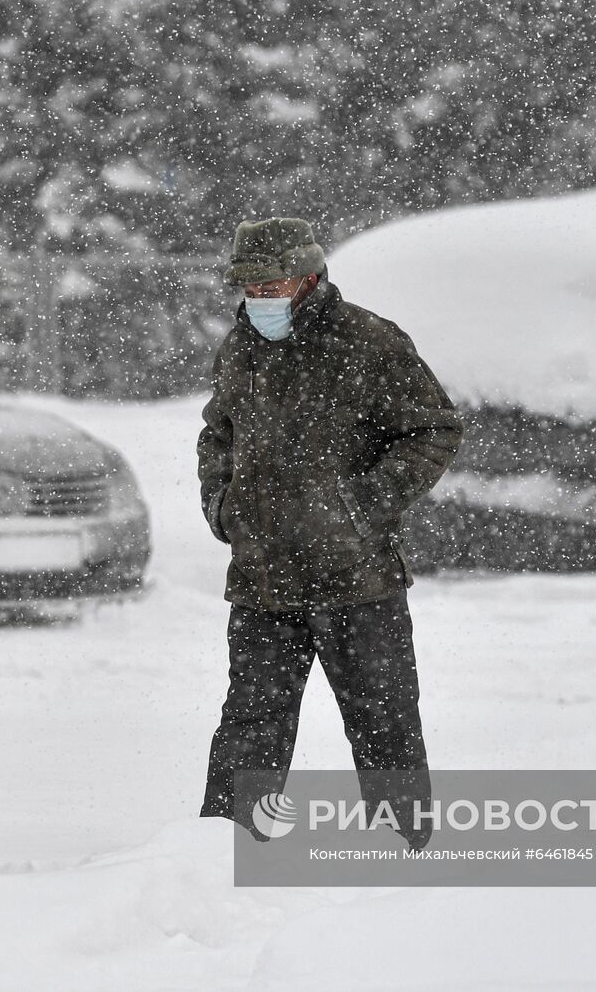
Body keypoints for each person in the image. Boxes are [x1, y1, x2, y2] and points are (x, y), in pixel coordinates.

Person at [196, 217, 464, 849]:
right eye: (248, 286)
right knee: (250, 726)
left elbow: (433, 429)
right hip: (263, 580)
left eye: (272, 283)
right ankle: (221, 858)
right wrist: (223, 504)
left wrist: (363, 505)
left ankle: (403, 853)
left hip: (357, 579)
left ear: (311, 276)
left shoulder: (370, 342)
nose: (259, 297)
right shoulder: (241, 346)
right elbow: (218, 434)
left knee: (384, 727)